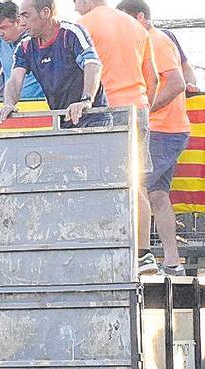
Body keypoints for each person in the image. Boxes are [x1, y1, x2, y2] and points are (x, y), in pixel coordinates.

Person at [75, 0, 159, 275]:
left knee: (101, 183)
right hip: (138, 106)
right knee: (136, 183)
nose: (75, 7)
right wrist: (145, 105)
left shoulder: (84, 25)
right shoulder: (136, 26)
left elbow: (81, 73)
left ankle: (110, 249)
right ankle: (143, 254)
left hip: (105, 109)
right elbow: (154, 79)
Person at [117, 0, 188, 276]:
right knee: (157, 194)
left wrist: (146, 110)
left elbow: (176, 81)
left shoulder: (155, 40)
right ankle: (172, 261)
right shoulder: (151, 40)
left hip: (162, 129)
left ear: (140, 18)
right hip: (166, 128)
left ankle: (142, 255)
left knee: (137, 188)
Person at [0, 0, 105, 129]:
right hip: (62, 120)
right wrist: (8, 104)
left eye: (26, 15)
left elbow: (92, 64)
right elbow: (14, 79)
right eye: (20, 17)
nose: (22, 23)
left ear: (45, 12)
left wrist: (86, 100)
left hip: (93, 117)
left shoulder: (70, 33)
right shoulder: (25, 45)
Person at [0, 1, 45, 104]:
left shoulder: (36, 37)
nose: (0, 33)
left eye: (3, 28)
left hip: (40, 104)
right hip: (11, 105)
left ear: (19, 21)